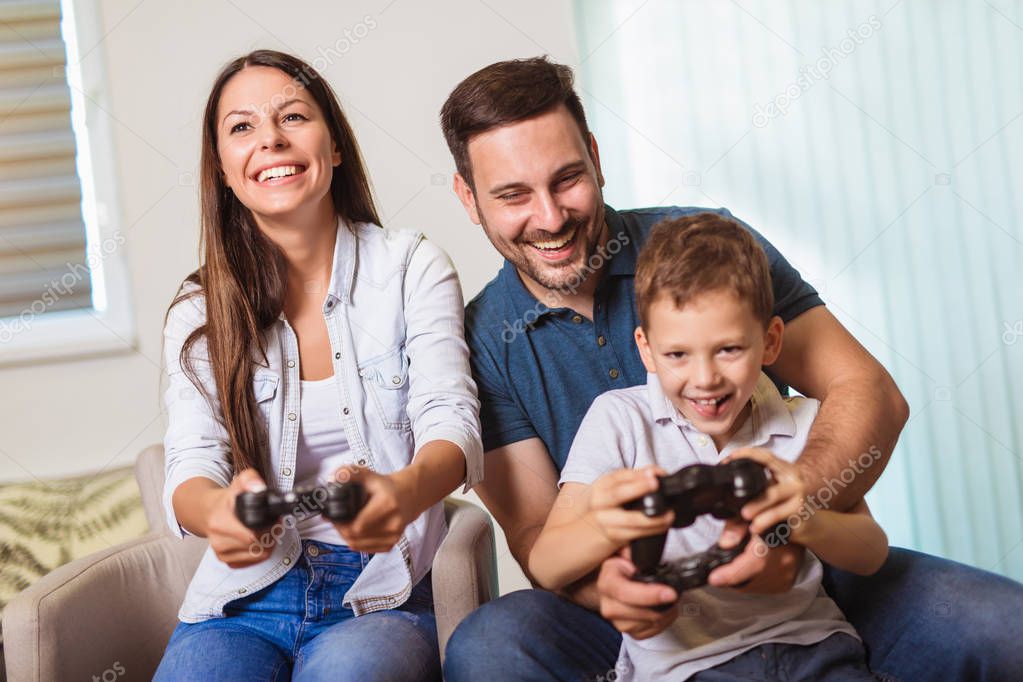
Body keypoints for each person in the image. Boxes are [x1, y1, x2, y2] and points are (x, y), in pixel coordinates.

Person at [439, 56, 1023, 681]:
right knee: (491, 645)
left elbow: (869, 391)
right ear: (468, 198)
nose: (551, 217)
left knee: (1005, 629)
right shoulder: (480, 342)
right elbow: (536, 535)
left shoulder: (708, 249)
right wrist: (609, 590)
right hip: (634, 616)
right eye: (513, 195)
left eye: (567, 179)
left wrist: (790, 521)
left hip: (807, 586)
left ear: (598, 158)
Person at [154, 50, 481, 681]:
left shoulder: (412, 267)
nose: (271, 138)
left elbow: (452, 418)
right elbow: (191, 464)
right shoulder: (198, 308)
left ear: (333, 147)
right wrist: (218, 513)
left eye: (293, 117)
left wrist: (403, 492)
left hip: (382, 592)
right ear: (223, 169)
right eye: (242, 127)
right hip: (243, 597)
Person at [529, 213, 887, 680]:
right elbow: (545, 563)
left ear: (771, 341)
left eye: (729, 350)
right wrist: (607, 525)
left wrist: (805, 519)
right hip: (683, 668)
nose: (705, 379)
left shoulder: (804, 424)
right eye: (677, 354)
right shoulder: (618, 420)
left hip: (814, 649)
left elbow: (872, 550)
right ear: (646, 349)